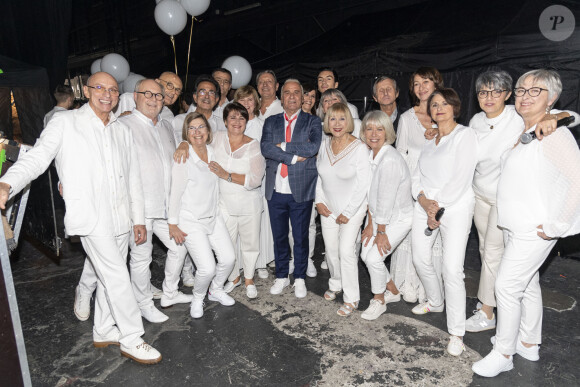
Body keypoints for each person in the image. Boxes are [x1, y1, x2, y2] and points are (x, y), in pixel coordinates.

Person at [0, 72, 161, 364]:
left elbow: (133, 178)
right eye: (100, 87)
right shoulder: (65, 122)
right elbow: (38, 157)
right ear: (86, 91)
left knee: (108, 275)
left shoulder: (121, 129)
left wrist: (138, 219)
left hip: (121, 216)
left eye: (113, 89)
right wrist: (8, 183)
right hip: (90, 216)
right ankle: (131, 337)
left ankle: (102, 330)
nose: (107, 94)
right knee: (116, 275)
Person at [472, 69, 580, 377]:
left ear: (552, 98)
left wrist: (558, 225)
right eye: (520, 90)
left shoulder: (555, 132)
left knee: (506, 286)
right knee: (527, 285)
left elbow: (577, 179)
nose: (524, 96)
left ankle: (503, 352)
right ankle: (528, 344)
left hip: (535, 229)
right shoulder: (526, 131)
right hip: (514, 225)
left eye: (535, 91)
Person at [73, 79, 192, 325]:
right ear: (134, 96)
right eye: (147, 94)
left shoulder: (166, 126)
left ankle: (167, 292)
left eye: (159, 96)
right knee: (130, 258)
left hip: (164, 208)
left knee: (179, 247)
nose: (154, 99)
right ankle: (134, 301)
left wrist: (183, 142)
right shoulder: (122, 124)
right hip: (134, 210)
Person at [411, 88, 477, 357]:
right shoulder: (430, 139)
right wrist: (425, 202)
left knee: (452, 270)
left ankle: (457, 333)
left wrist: (435, 209)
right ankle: (435, 302)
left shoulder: (465, 135)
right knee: (419, 258)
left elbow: (461, 178)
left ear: (455, 107)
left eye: (444, 104)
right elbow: (417, 176)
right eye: (434, 104)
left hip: (456, 206)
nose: (439, 108)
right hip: (426, 205)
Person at [168, 112, 236, 319]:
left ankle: (215, 290)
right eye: (192, 129)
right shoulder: (183, 157)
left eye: (201, 127)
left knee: (229, 259)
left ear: (208, 131)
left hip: (213, 216)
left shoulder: (213, 151)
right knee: (207, 267)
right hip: (190, 219)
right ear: (186, 133)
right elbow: (175, 192)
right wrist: (172, 223)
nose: (197, 132)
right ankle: (198, 297)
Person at [261, 79, 322, 298]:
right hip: (275, 189)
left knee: (300, 237)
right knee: (279, 237)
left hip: (301, 189)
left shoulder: (312, 121)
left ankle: (300, 277)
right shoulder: (271, 121)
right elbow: (266, 148)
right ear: (282, 96)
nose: (292, 96)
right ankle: (281, 275)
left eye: (297, 92)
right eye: (287, 93)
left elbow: (313, 146)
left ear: (303, 96)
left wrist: (284, 146)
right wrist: (295, 158)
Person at [391, 66, 444, 304]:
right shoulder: (405, 118)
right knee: (410, 237)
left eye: (426, 82)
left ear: (436, 85)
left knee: (431, 240)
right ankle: (407, 284)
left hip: (437, 188)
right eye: (416, 84)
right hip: (411, 189)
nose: (421, 88)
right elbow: (399, 159)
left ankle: (428, 290)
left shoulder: (444, 116)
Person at [207, 102, 267, 298]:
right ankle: (234, 278)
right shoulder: (216, 138)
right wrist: (183, 144)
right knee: (227, 245)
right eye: (232, 117)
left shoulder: (253, 144)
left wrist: (226, 174)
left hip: (249, 204)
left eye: (242, 118)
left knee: (250, 244)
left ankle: (249, 278)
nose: (237, 121)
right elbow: (195, 143)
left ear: (246, 121)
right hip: (223, 203)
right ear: (224, 121)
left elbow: (256, 179)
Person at [315, 103, 370, 316]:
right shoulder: (325, 144)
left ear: (349, 121)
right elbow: (321, 176)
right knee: (330, 250)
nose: (337, 124)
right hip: (328, 207)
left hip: (353, 210)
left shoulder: (359, 148)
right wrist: (318, 202)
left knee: (346, 251)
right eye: (332, 119)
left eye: (341, 119)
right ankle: (335, 283)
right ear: (327, 122)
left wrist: (347, 212)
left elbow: (363, 185)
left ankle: (351, 297)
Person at [359, 111, 413, 321]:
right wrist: (371, 224)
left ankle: (379, 300)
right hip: (379, 215)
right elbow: (373, 195)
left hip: (398, 217)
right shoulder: (372, 154)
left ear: (387, 132)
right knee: (365, 255)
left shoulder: (389, 159)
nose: (374, 134)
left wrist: (380, 231)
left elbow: (386, 200)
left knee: (373, 257)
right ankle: (393, 291)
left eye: (379, 129)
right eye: (369, 129)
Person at [234, 86, 272, 280]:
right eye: (242, 100)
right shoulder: (233, 124)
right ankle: (240, 263)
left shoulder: (263, 124)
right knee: (241, 225)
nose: (246, 104)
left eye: (250, 100)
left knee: (260, 222)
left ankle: (261, 263)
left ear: (255, 102)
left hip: (260, 178)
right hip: (237, 180)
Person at [172, 75, 223, 142]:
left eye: (211, 93)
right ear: (195, 97)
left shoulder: (222, 125)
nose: (207, 96)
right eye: (202, 92)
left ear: (216, 100)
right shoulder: (179, 121)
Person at [115, 72, 182, 121]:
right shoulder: (128, 100)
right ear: (157, 82)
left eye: (177, 90)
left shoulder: (169, 115)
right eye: (169, 85)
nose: (173, 92)